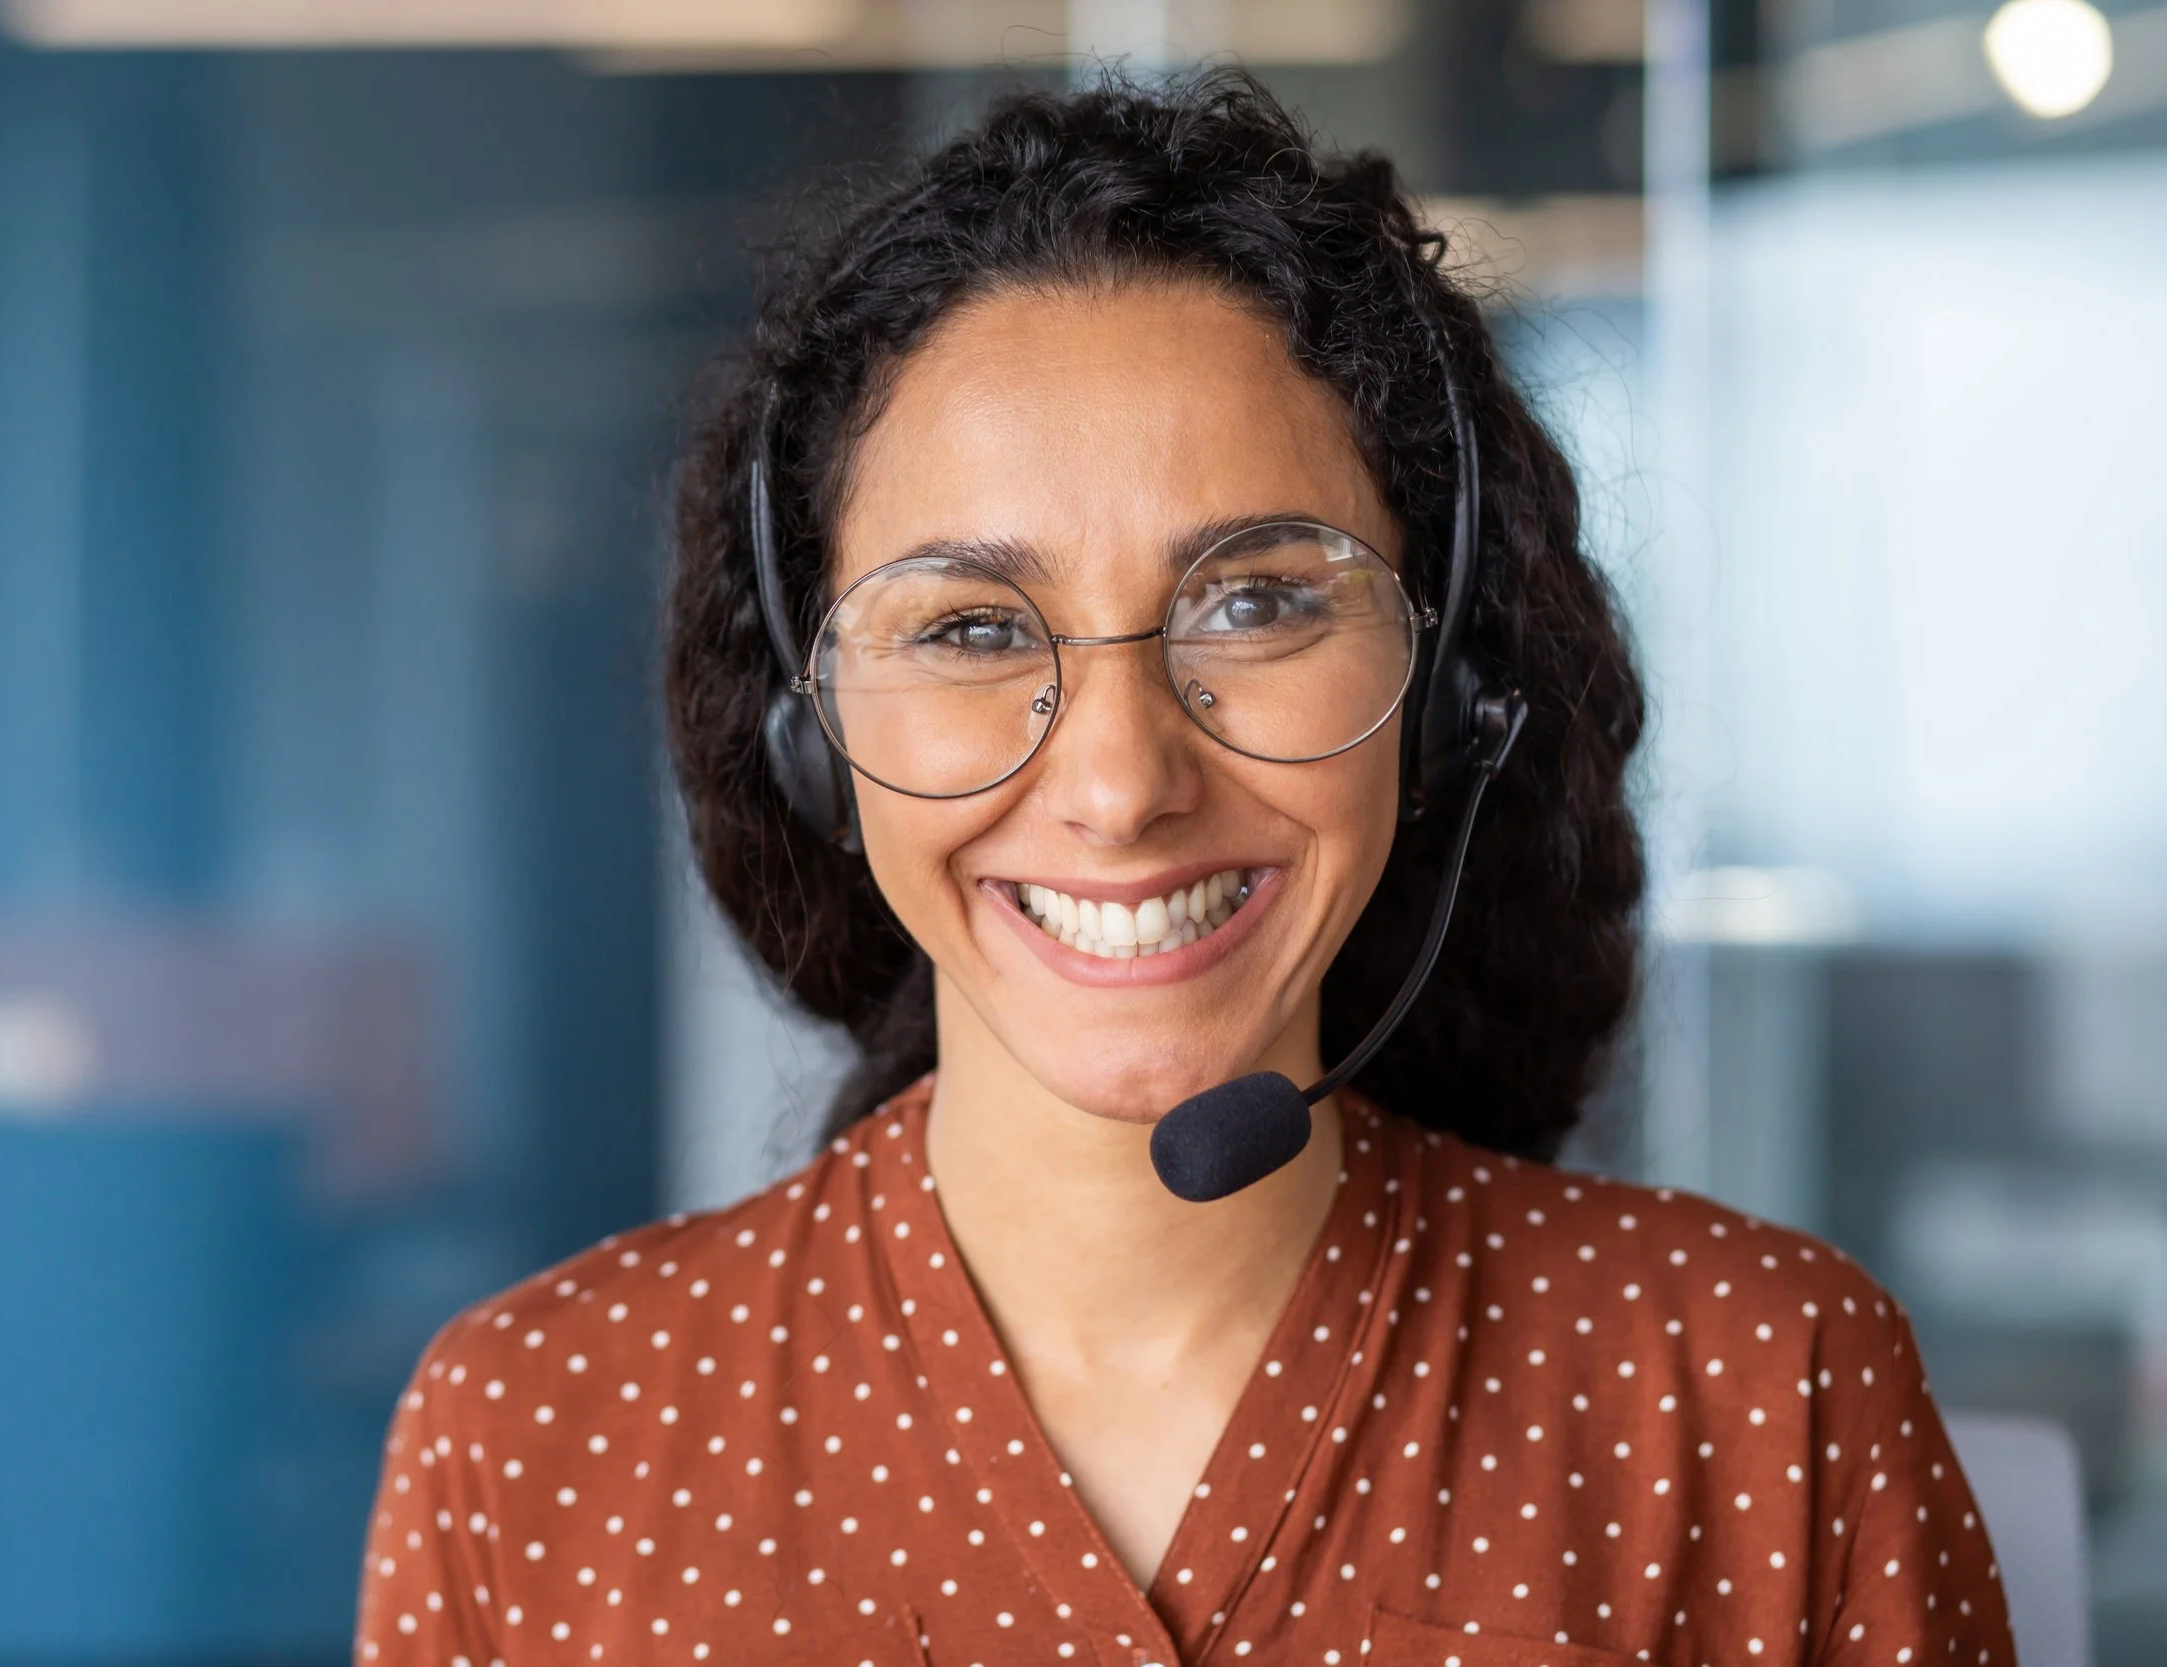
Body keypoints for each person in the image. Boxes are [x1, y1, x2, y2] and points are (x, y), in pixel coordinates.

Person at [355, 72, 2013, 1667]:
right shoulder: (534, 1439)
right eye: (972, 629)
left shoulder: (1753, 1393)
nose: (1122, 780)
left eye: (1260, 599)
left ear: (1444, 697)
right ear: (814, 737)